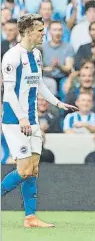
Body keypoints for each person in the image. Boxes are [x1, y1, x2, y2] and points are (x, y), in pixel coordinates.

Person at [1, 13, 77, 228]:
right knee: (24, 170)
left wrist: (58, 103)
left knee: (33, 170)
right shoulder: (12, 57)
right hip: (16, 121)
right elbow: (8, 94)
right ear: (26, 31)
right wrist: (22, 118)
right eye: (40, 30)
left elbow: (39, 84)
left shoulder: (36, 54)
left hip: (32, 120)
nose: (43, 34)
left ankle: (30, 217)